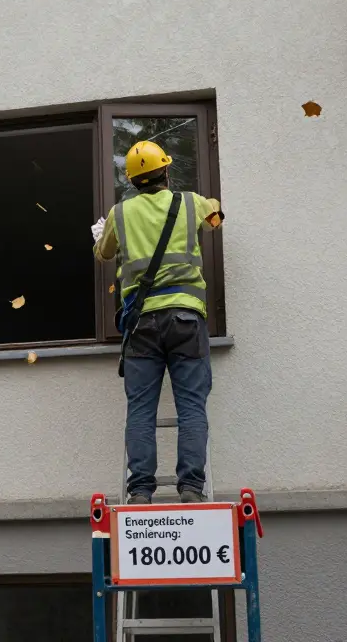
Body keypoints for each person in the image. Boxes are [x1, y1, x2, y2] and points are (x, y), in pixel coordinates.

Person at [91, 140, 223, 504]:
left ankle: (140, 492)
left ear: (133, 180)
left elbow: (102, 253)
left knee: (141, 410)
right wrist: (211, 206)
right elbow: (216, 219)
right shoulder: (191, 203)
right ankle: (192, 489)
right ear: (166, 171)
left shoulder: (119, 214)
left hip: (141, 324)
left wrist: (100, 235)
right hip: (186, 318)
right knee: (192, 406)